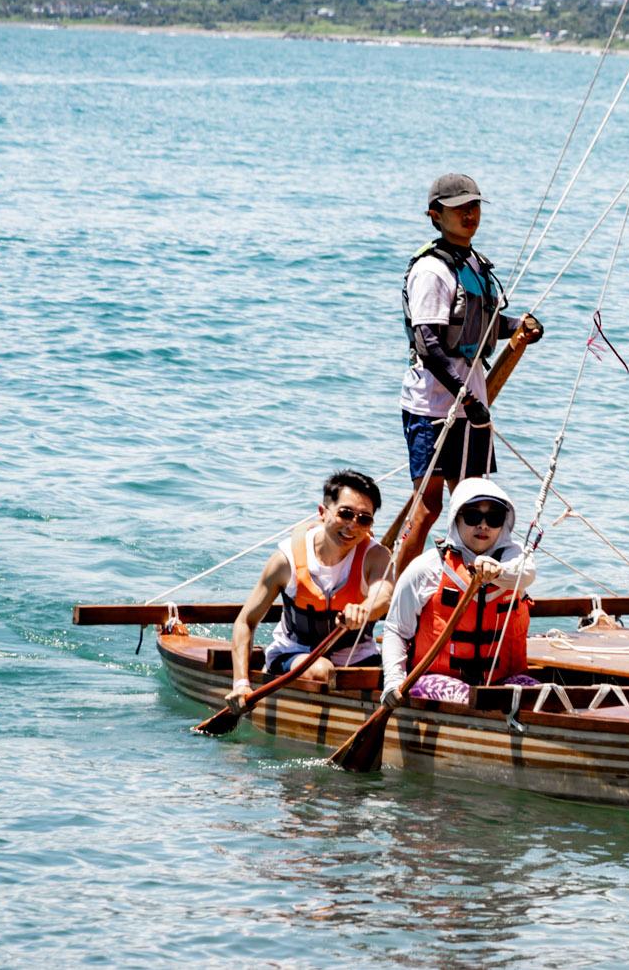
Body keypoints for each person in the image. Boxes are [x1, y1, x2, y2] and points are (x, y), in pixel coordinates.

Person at [397, 172, 541, 568]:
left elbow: (484, 324)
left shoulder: (475, 264)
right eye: (459, 208)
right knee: (428, 508)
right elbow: (428, 344)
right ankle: (393, 597)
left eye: (474, 206)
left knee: (472, 505)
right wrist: (470, 398)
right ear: (435, 215)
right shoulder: (430, 270)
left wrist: (521, 326)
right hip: (432, 407)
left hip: (471, 406)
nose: (469, 214)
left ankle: (459, 590)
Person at [225, 469, 396, 708]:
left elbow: (384, 596)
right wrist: (241, 683)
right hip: (294, 654)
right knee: (322, 671)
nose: (352, 526)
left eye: (363, 519)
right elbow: (245, 621)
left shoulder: (376, 556)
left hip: (359, 659)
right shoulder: (286, 561)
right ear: (322, 512)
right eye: (345, 514)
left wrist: (364, 609)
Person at [379, 477, 545, 706]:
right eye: (473, 516)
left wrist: (497, 572)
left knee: (545, 696)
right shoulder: (427, 568)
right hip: (436, 680)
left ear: (504, 523)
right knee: (469, 698)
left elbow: (526, 573)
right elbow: (395, 630)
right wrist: (393, 682)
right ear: (456, 519)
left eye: (494, 518)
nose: (483, 525)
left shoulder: (516, 563)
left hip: (499, 682)